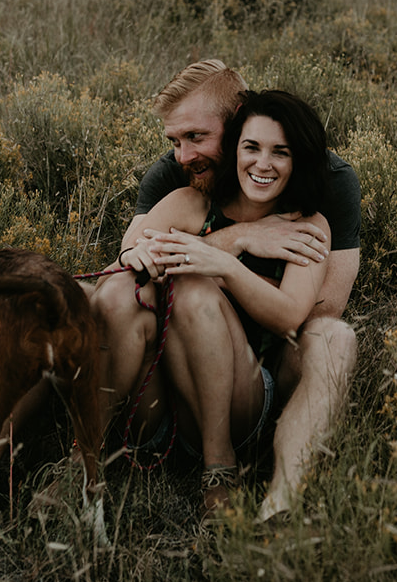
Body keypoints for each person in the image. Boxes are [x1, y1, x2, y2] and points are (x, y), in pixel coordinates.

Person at [93, 61, 361, 521]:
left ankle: (244, 481)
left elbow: (305, 313)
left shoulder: (311, 216)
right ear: (237, 143)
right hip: (163, 390)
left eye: (281, 152)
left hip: (246, 391)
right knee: (133, 290)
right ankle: (82, 457)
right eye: (251, 148)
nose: (262, 162)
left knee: (204, 291)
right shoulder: (186, 192)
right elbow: (124, 265)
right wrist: (229, 242)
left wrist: (219, 267)